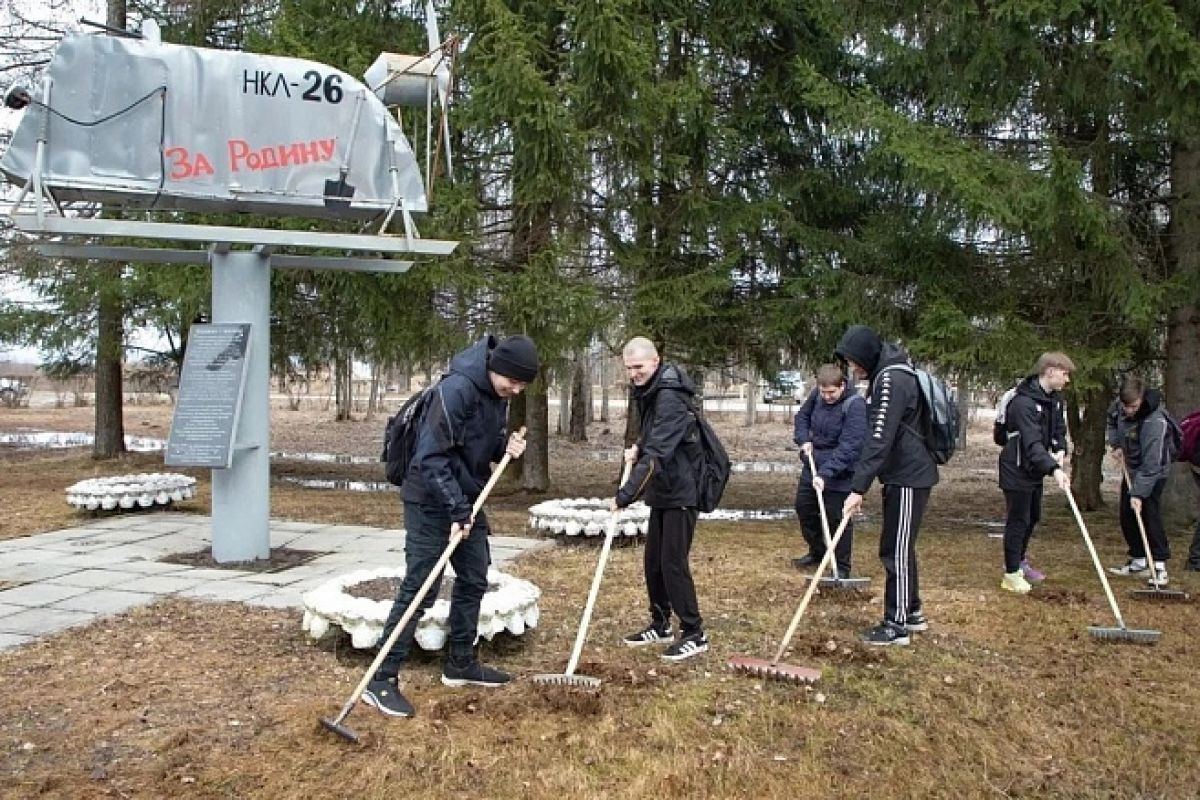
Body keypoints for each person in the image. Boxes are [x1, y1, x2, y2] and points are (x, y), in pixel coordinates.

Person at [363, 334, 539, 718]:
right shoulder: (457, 390)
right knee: (421, 588)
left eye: (524, 385)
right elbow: (431, 457)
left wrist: (504, 451)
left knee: (475, 577)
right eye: (514, 381)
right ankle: (380, 679)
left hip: (464, 498)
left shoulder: (497, 397)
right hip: (430, 499)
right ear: (498, 367)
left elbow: (480, 446)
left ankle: (460, 662)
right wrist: (456, 511)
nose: (517, 389)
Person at [836, 325, 938, 646]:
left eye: (854, 361)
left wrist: (858, 488)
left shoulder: (891, 380)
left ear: (866, 355)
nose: (853, 368)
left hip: (909, 476)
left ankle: (896, 625)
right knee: (897, 546)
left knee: (896, 550)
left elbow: (879, 438)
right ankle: (913, 612)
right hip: (901, 475)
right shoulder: (892, 374)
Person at [614, 336, 709, 662]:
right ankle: (660, 623)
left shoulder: (669, 394)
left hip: (682, 488)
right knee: (653, 561)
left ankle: (695, 632)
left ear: (655, 361)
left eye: (638, 367)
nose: (633, 374)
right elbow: (653, 434)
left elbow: (660, 452)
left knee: (672, 563)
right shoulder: (653, 389)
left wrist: (625, 495)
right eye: (629, 369)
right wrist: (638, 444)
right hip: (664, 487)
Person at [996, 353, 1073, 594]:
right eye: (1065, 373)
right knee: (1018, 520)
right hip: (1016, 467)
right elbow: (1031, 443)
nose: (1067, 379)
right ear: (1050, 371)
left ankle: (1019, 562)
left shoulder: (1055, 400)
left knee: (1032, 517)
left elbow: (1058, 429)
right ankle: (1010, 573)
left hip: (1034, 469)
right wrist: (1053, 468)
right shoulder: (1023, 403)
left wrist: (1060, 448)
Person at [791, 363, 867, 578]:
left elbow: (850, 446)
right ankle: (818, 552)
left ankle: (842, 567)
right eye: (823, 392)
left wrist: (826, 473)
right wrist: (804, 440)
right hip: (813, 465)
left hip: (840, 471)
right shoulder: (817, 396)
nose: (827, 397)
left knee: (836, 517)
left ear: (842, 385)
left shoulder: (855, 405)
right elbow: (802, 418)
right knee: (804, 508)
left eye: (831, 392)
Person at [1106, 376, 1174, 585]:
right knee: (1127, 514)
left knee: (1148, 514)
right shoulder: (1120, 405)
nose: (1128, 411)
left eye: (1133, 407)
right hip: (1132, 468)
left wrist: (1138, 493)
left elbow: (1152, 464)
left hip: (1154, 471)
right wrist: (1117, 444)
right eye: (1126, 406)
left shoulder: (1155, 420)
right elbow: (1112, 420)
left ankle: (1160, 565)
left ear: (1142, 399)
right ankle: (1139, 561)